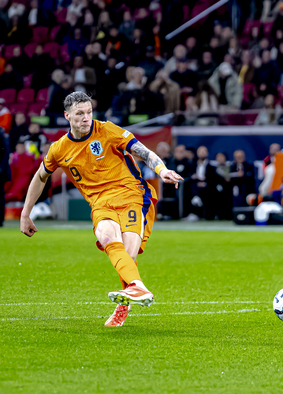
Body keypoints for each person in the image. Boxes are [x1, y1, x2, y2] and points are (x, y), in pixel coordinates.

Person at [19, 92, 183, 327]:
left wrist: (162, 170)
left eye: (89, 112)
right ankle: (138, 288)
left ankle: (126, 301)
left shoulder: (107, 130)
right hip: (100, 203)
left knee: (129, 254)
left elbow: (142, 151)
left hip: (132, 194)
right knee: (105, 236)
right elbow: (40, 176)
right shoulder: (59, 149)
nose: (86, 118)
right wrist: (25, 214)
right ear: (67, 116)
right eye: (79, 114)